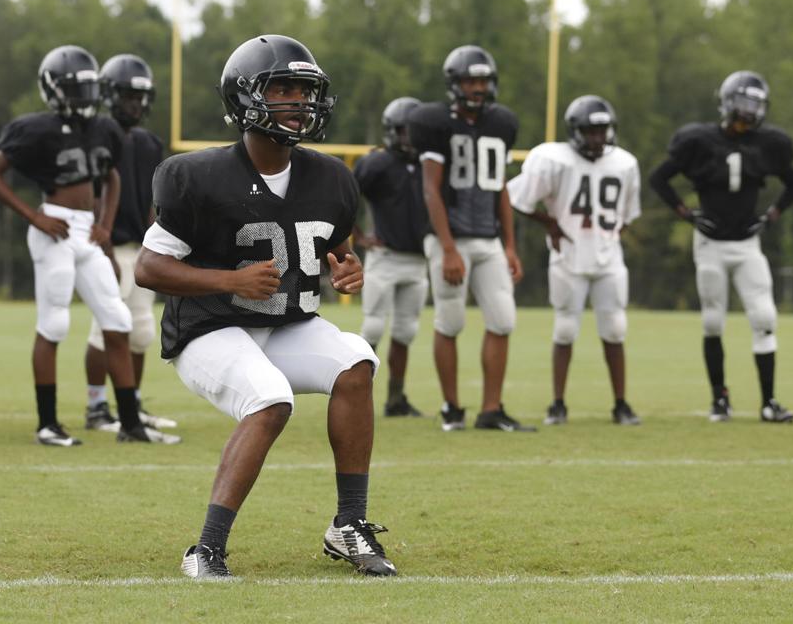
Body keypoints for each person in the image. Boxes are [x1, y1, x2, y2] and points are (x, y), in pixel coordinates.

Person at [136, 34, 396, 579]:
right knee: (270, 399)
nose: (298, 102)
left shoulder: (330, 177)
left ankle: (349, 524)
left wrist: (346, 268)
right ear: (245, 98)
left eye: (304, 91)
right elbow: (148, 269)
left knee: (357, 362)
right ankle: (205, 548)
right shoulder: (196, 176)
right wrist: (228, 279)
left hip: (286, 322)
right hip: (210, 328)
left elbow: (335, 247)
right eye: (282, 89)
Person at [0, 45, 178, 446]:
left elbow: (113, 177)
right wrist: (33, 215)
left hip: (87, 232)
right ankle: (48, 424)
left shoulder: (101, 129)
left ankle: (130, 424)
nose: (83, 96)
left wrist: (104, 223)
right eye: (74, 88)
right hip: (54, 229)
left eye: (87, 87)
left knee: (118, 321)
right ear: (53, 90)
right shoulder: (38, 128)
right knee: (54, 323)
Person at [649, 71, 793, 423]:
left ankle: (768, 402)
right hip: (711, 244)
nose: (749, 111)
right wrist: (687, 214)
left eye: (755, 104)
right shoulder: (699, 140)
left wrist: (771, 215)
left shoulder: (769, 143)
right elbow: (659, 178)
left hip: (748, 244)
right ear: (728, 102)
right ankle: (720, 399)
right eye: (744, 102)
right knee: (713, 321)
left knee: (764, 317)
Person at [408, 45, 533, 432]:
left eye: (483, 80)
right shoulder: (433, 123)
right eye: (471, 80)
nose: (478, 88)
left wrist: (510, 245)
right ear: (455, 84)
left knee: (503, 320)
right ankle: (451, 407)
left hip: (488, 238)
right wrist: (447, 248)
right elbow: (432, 190)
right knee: (451, 320)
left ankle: (491, 409)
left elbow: (501, 189)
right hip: (451, 238)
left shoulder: (502, 124)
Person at [507, 95, 642, 426]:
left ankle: (621, 404)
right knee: (565, 329)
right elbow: (516, 198)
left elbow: (626, 215)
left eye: (602, 131)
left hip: (608, 259)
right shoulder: (554, 159)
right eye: (590, 131)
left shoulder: (624, 163)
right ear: (575, 131)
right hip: (568, 256)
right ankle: (557, 403)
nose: (597, 138)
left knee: (615, 328)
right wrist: (549, 223)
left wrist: (605, 236)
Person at [82, 54, 177, 433]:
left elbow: (154, 203)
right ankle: (96, 406)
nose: (135, 104)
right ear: (109, 95)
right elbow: (86, 193)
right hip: (107, 245)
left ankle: (130, 407)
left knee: (140, 332)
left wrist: (157, 246)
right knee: (105, 328)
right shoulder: (95, 134)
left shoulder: (149, 142)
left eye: (139, 97)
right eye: (127, 96)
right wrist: (99, 243)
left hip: (139, 247)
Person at [352, 97, 429, 417]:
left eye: (414, 132)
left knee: (405, 331)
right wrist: (358, 237)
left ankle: (395, 399)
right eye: (403, 131)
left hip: (418, 260)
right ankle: (356, 397)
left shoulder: (431, 162)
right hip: (384, 256)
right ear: (390, 132)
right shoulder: (378, 163)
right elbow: (344, 196)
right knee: (371, 328)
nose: (408, 138)